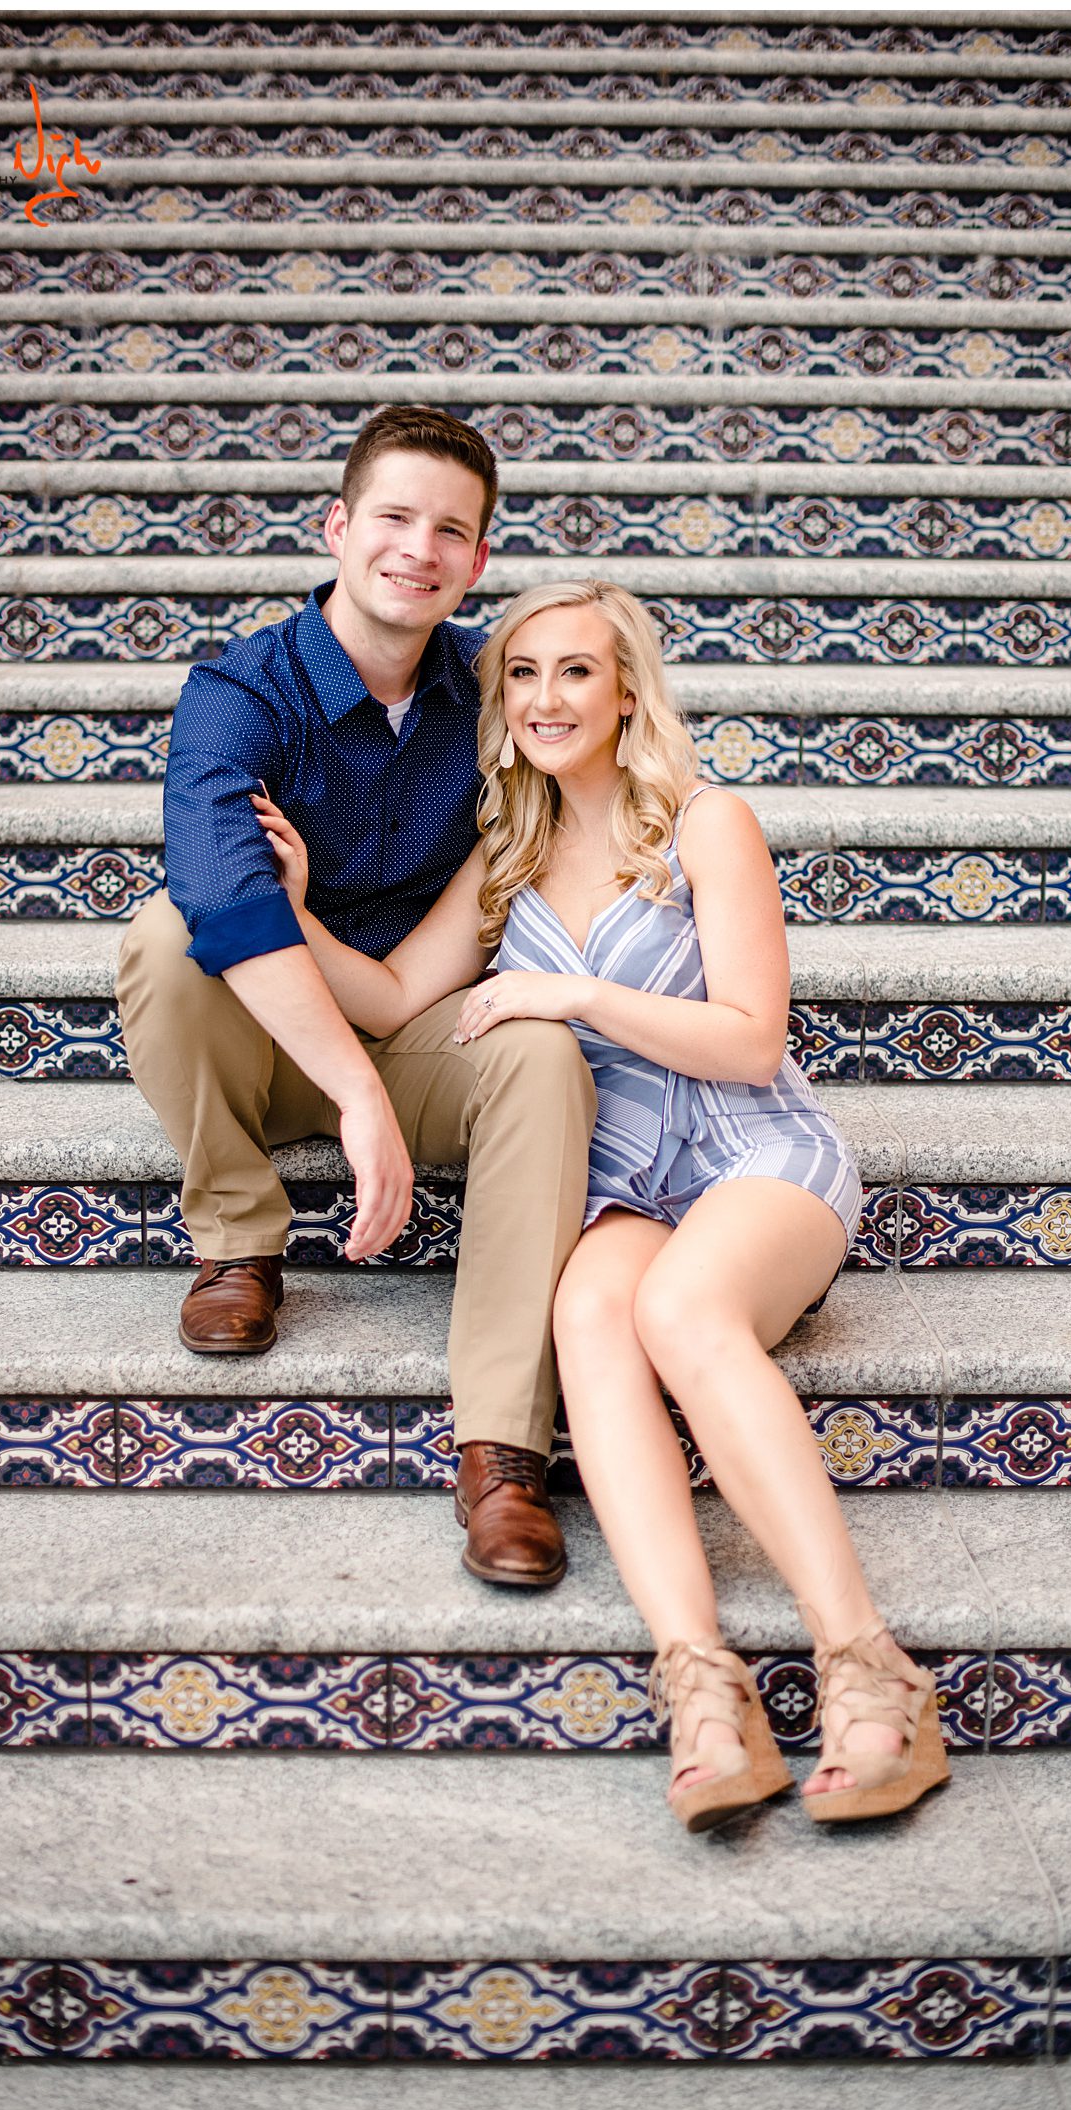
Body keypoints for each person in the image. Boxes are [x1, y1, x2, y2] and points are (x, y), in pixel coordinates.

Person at [251, 579, 945, 1833]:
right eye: (519, 674)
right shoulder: (505, 855)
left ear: (628, 687)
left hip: (750, 1152)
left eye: (575, 671)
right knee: (587, 1319)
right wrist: (291, 912)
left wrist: (572, 1000)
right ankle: (702, 1686)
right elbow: (397, 991)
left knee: (681, 1307)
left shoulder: (703, 822)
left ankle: (865, 1664)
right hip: (622, 1177)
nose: (544, 699)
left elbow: (749, 1038)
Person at [116, 405, 595, 1589]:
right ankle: (238, 1238)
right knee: (169, 932)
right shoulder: (240, 692)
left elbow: (411, 985)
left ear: (479, 561)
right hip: (272, 1045)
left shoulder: (499, 689)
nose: (417, 550)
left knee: (543, 1053)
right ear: (338, 527)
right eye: (393, 516)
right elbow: (227, 899)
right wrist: (352, 1099)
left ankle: (502, 1449)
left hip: (416, 1017)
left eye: (452, 531)